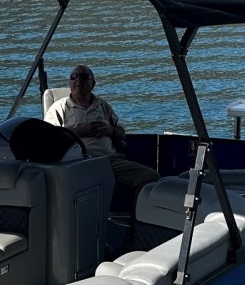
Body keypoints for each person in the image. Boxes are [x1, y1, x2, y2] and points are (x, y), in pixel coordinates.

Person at [45, 64, 160, 195]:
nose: (78, 79)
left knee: (150, 177)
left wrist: (110, 131)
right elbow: (49, 139)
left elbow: (121, 133)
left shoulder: (103, 105)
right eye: (73, 76)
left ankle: (135, 215)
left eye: (83, 76)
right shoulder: (58, 108)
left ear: (92, 84)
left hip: (109, 161)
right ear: (70, 83)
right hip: (77, 164)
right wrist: (79, 130)